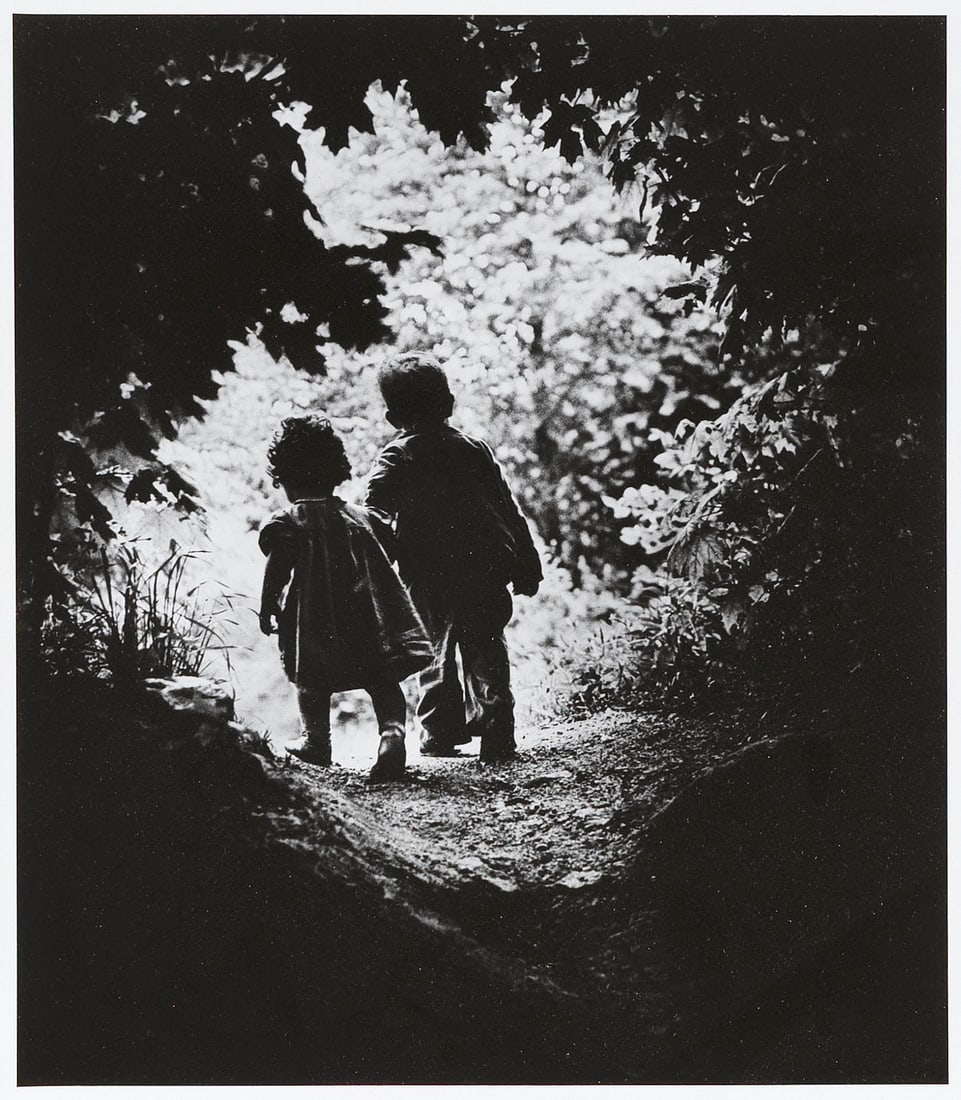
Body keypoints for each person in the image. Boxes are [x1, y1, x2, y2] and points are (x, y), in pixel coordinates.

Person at [365, 352, 542, 762]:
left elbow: (375, 512)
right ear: (449, 404)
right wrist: (526, 561)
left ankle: (441, 732)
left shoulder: (397, 455)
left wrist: (378, 561)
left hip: (426, 573)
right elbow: (506, 507)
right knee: (487, 646)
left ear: (393, 418)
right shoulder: (473, 449)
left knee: (433, 652)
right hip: (484, 566)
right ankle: (498, 728)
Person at [258, 415, 434, 782]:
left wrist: (268, 604)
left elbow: (276, 569)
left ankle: (316, 741)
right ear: (335, 471)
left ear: (285, 478)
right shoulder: (361, 518)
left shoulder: (289, 522)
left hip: (315, 624)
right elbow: (390, 546)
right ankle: (392, 735)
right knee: (383, 679)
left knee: (310, 681)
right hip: (369, 618)